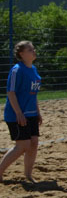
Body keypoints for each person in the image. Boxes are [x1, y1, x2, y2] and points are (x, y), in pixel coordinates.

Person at [0, 41, 43, 184]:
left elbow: (33, 94)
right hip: (16, 115)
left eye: (33, 49)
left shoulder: (33, 69)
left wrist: (37, 112)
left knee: (34, 143)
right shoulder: (17, 70)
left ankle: (28, 175)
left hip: (31, 114)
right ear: (21, 54)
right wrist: (18, 113)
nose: (34, 51)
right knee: (23, 145)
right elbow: (11, 92)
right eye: (30, 50)